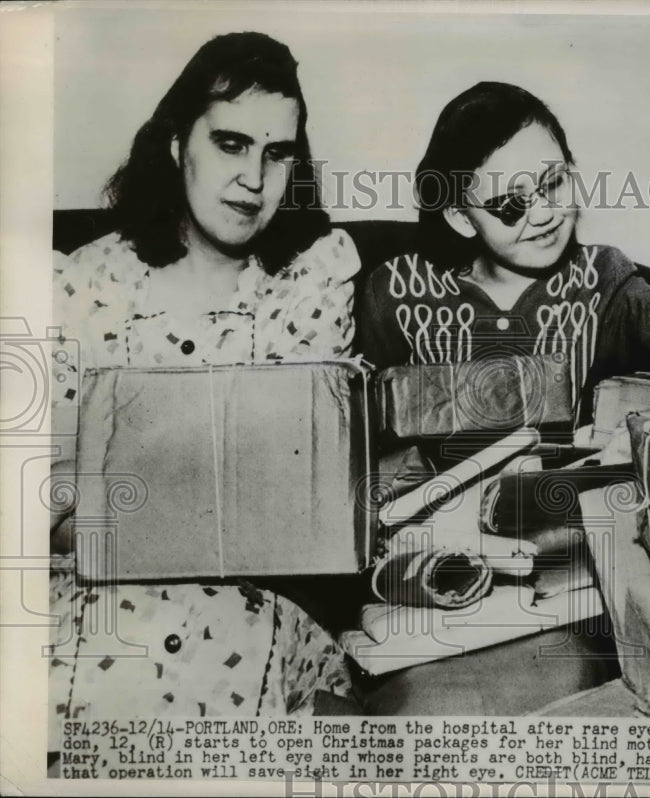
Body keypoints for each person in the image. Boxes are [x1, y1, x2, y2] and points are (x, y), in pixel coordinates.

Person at [48, 32, 360, 731]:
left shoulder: (311, 283)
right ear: (173, 144)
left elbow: (296, 513)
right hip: (89, 605)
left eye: (277, 154)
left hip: (249, 612)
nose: (255, 177)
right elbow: (40, 507)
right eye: (230, 144)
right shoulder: (82, 284)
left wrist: (116, 474)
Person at [357, 81, 650, 425]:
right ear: (461, 216)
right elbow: (352, 420)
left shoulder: (601, 282)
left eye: (554, 183)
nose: (544, 213)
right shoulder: (397, 293)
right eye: (511, 204)